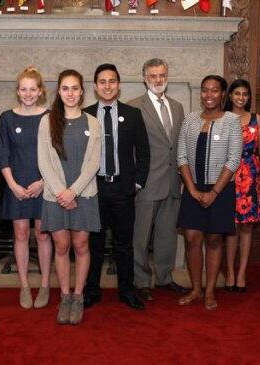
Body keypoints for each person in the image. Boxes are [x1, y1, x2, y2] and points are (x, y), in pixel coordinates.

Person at [83, 64, 150, 310]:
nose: (107, 86)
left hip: (123, 189)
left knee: (124, 244)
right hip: (94, 189)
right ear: (95, 86)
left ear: (118, 85)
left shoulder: (133, 114)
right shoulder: (85, 115)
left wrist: (137, 184)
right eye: (102, 81)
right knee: (94, 244)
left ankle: (126, 291)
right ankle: (91, 290)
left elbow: (143, 153)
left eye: (112, 81)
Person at [37, 69, 101, 325]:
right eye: (66, 88)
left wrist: (73, 191)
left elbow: (93, 163)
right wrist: (61, 192)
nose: (71, 93)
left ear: (82, 91)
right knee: (61, 247)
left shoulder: (92, 122)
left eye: (75, 88)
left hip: (84, 195)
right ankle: (64, 297)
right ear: (59, 92)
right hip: (55, 196)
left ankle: (78, 296)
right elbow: (43, 161)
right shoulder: (47, 121)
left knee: (81, 246)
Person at [177, 75, 242, 310]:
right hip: (193, 188)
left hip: (221, 189)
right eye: (205, 90)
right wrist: (192, 188)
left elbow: (234, 159)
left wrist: (214, 192)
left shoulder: (232, 121)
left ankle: (211, 291)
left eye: (215, 91)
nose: (209, 95)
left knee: (214, 239)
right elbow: (181, 156)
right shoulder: (190, 119)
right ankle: (196, 288)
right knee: (193, 238)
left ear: (223, 94)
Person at [127, 58, 186, 301]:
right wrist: (134, 182)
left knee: (167, 235)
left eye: (162, 75)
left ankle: (164, 277)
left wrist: (184, 177)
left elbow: (179, 145)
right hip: (147, 183)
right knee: (139, 237)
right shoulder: (133, 107)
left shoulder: (178, 107)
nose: (158, 80)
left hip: (173, 181)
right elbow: (130, 150)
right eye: (153, 76)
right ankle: (140, 281)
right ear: (144, 78)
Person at [0, 67, 53, 309]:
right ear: (17, 92)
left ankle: (45, 285)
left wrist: (43, 182)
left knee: (42, 235)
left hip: (44, 185)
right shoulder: (7, 118)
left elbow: (56, 155)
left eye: (33, 89)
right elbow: (2, 154)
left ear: (40, 91)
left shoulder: (50, 117)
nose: (28, 93)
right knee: (20, 235)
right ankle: (24, 286)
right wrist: (13, 185)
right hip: (16, 186)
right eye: (23, 89)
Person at [223, 79, 260, 293]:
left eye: (245, 94)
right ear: (230, 96)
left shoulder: (256, 118)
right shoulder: (223, 118)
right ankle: (230, 272)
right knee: (231, 227)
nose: (241, 97)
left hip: (252, 174)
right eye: (237, 93)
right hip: (228, 176)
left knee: (247, 226)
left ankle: (241, 272)